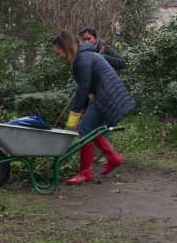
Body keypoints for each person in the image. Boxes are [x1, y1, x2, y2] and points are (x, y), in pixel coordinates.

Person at [53, 31, 134, 185]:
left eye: (59, 53)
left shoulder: (83, 59)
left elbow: (83, 91)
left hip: (107, 97)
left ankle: (86, 173)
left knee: (85, 129)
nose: (60, 57)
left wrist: (72, 119)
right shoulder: (84, 56)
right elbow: (84, 89)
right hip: (107, 96)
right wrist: (77, 113)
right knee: (91, 129)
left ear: (66, 47)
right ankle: (114, 158)